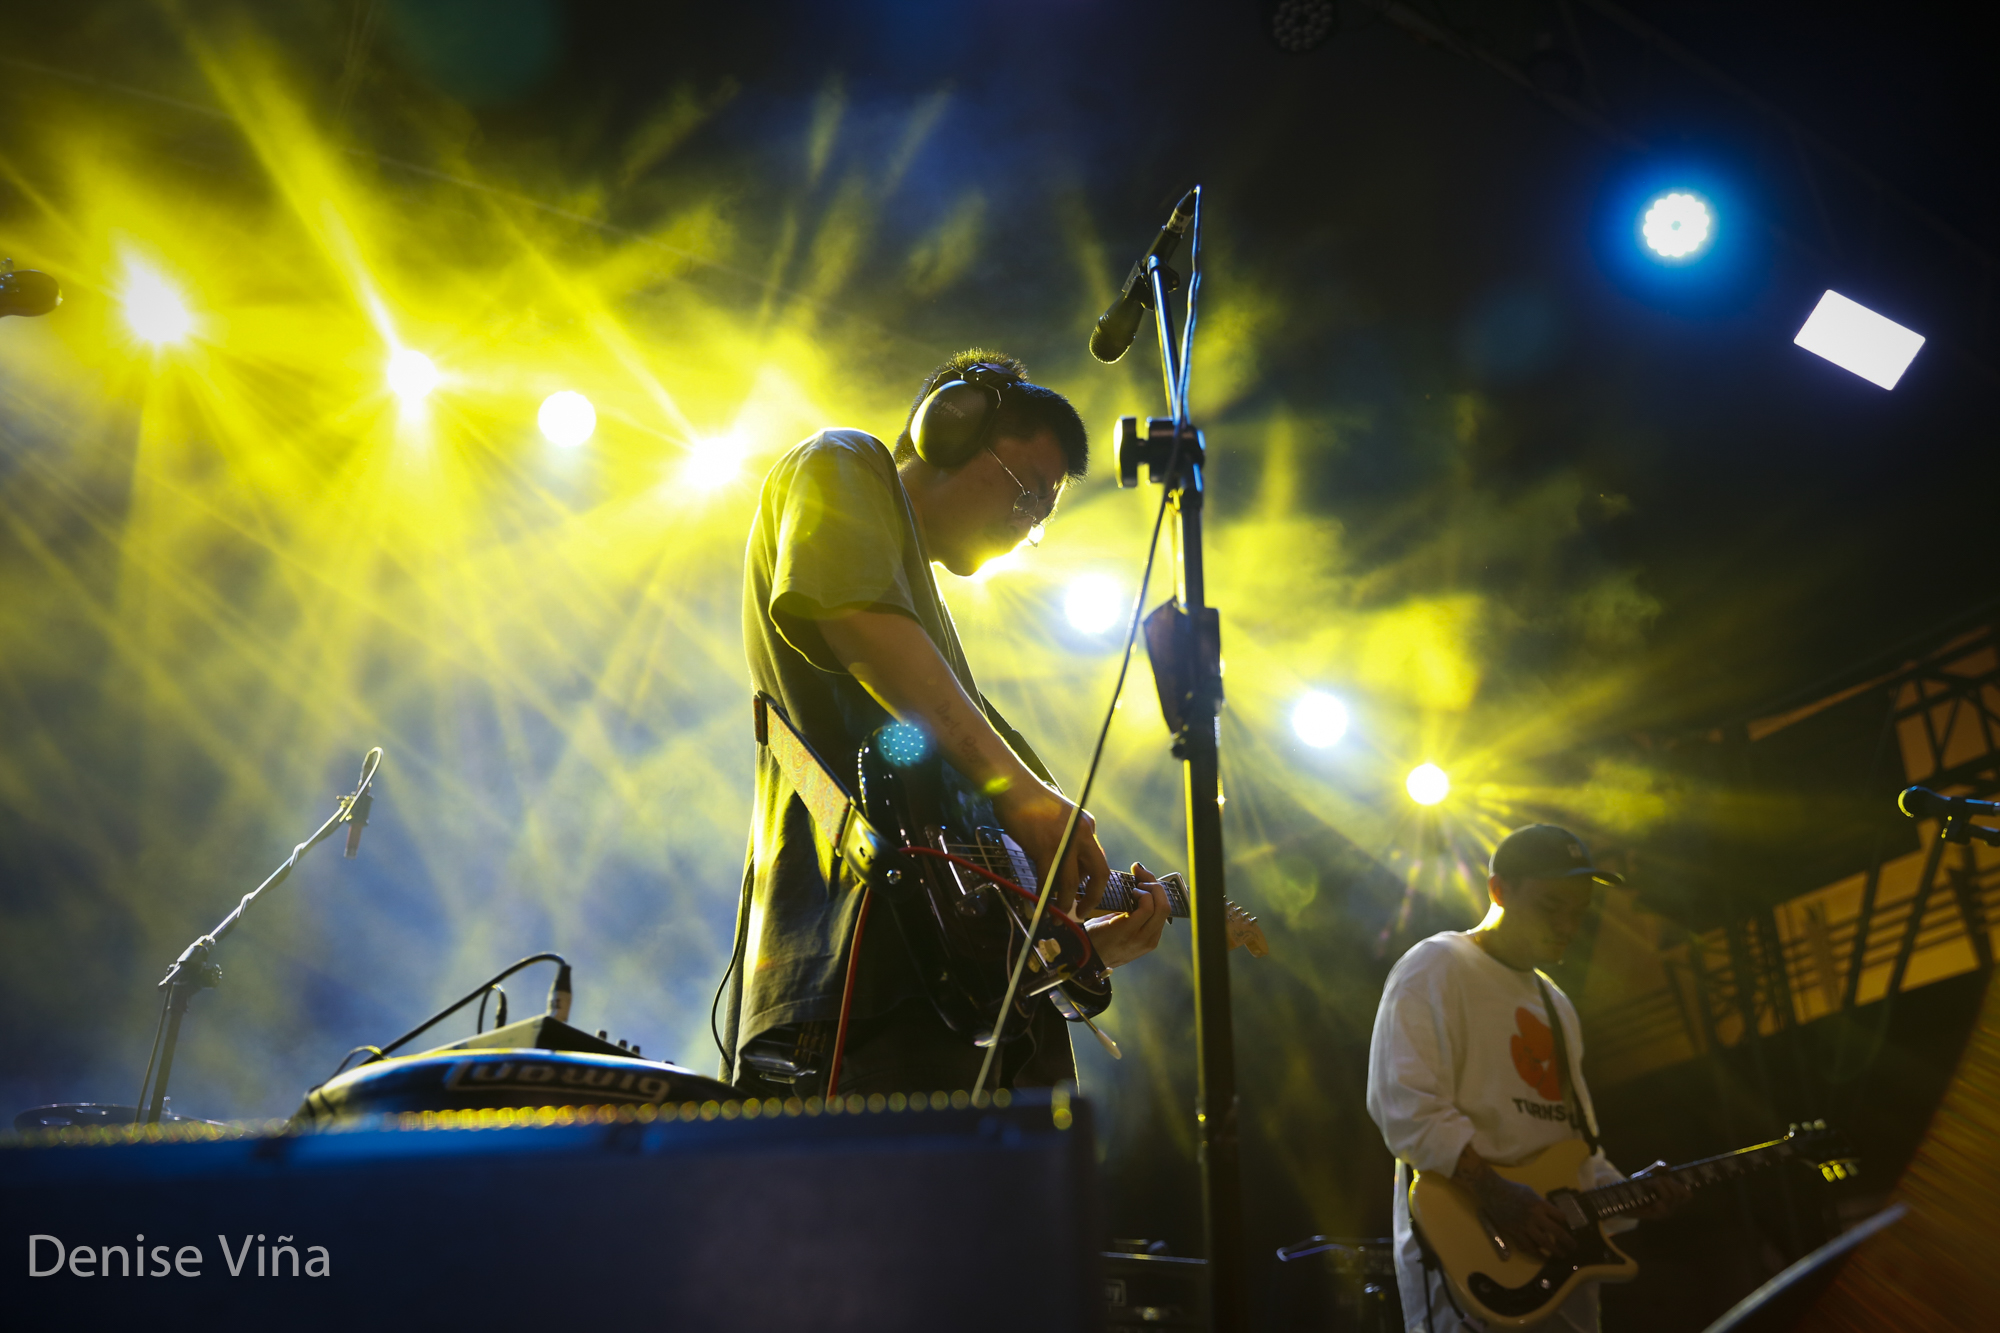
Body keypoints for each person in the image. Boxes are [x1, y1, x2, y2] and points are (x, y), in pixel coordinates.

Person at [721, 348, 1171, 1099]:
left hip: (953, 1016)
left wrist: (1077, 948)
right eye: (1028, 494)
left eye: (1042, 516)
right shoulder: (843, 458)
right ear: (948, 429)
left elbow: (965, 887)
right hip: (857, 990)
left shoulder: (940, 668)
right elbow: (856, 618)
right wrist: (1021, 791)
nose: (1027, 524)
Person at [1366, 824, 1688, 1332]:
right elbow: (1404, 1108)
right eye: (1550, 906)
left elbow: (1578, 1150)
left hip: (1566, 1296)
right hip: (1469, 1278)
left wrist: (1633, 1195)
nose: (1567, 925)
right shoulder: (1437, 965)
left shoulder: (1556, 1004)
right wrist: (1499, 1195)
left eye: (1578, 911)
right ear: (1499, 890)